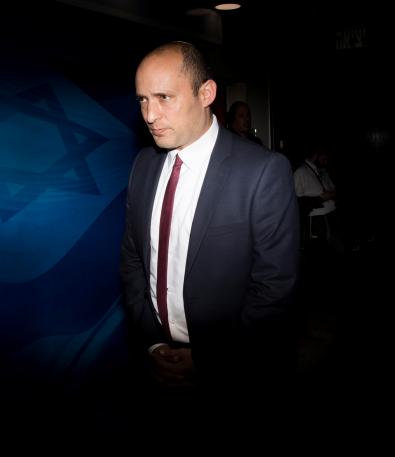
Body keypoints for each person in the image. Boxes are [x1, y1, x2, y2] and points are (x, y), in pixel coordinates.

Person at [120, 41, 300, 412]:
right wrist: (153, 343)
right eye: (141, 100)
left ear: (207, 93)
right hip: (155, 364)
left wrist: (208, 360)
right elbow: (133, 261)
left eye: (164, 97)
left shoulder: (262, 171)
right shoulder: (143, 165)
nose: (150, 115)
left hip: (235, 377)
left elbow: (274, 290)